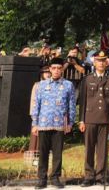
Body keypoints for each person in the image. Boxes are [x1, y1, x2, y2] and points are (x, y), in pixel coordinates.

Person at [31, 57, 75, 189]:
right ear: (50, 69)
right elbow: (36, 105)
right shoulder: (42, 85)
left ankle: (55, 177)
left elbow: (71, 105)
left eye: (59, 68)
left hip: (59, 124)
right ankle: (42, 178)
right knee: (43, 152)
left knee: (57, 153)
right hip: (43, 124)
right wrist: (35, 123)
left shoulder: (68, 85)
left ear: (62, 70)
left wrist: (70, 122)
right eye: (54, 68)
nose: (56, 71)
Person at [77, 51, 109, 187]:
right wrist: (81, 120)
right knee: (89, 149)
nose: (101, 63)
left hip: (105, 119)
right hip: (89, 118)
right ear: (94, 62)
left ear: (106, 63)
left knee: (103, 149)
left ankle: (101, 176)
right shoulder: (87, 79)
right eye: (98, 60)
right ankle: (88, 176)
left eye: (103, 60)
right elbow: (83, 101)